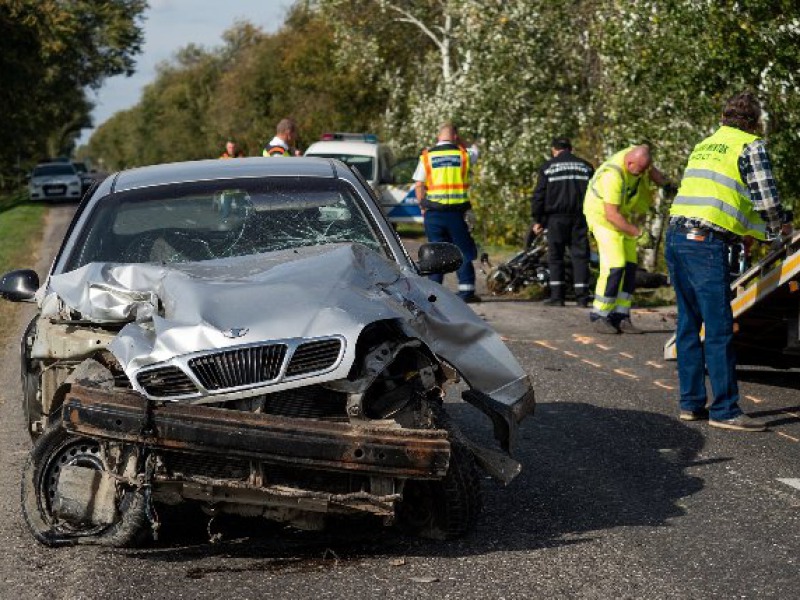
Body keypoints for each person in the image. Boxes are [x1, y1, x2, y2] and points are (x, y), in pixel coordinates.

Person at [666, 91, 793, 432]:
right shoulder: (750, 145)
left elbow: (722, 196)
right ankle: (725, 410)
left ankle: (691, 405)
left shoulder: (705, 144)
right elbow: (765, 199)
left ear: (723, 118)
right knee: (719, 327)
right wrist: (781, 230)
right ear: (754, 122)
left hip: (676, 236)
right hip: (705, 243)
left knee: (688, 324)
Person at [583, 144, 670, 333]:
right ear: (629, 162)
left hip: (621, 216)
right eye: (637, 171)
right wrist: (638, 233)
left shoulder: (638, 157)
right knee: (615, 265)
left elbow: (650, 169)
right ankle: (600, 315)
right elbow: (611, 215)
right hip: (603, 218)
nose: (639, 175)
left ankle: (621, 315)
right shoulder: (612, 176)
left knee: (630, 267)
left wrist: (664, 183)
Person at [413, 122, 480, 303]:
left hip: (434, 213)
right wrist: (462, 142)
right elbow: (476, 150)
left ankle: (434, 294)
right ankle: (467, 291)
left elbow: (419, 185)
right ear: (456, 137)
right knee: (462, 250)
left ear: (438, 137)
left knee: (435, 253)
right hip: (457, 214)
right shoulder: (464, 155)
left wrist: (422, 207)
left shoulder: (427, 157)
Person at [530, 137, 594, 307]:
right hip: (580, 217)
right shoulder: (586, 167)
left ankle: (557, 297)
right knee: (580, 257)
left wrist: (538, 219)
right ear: (570, 149)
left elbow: (539, 195)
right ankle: (582, 297)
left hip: (556, 218)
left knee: (555, 257)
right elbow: (596, 194)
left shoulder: (548, 167)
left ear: (554, 150)